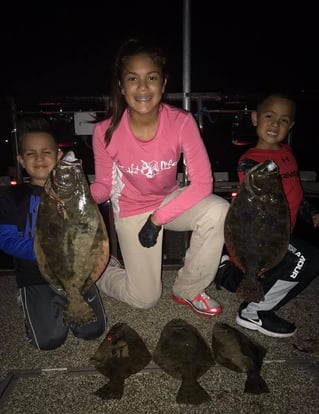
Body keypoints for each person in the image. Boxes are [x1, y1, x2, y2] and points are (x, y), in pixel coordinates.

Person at [90, 37, 229, 317]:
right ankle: (104, 271)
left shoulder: (181, 122)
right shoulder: (105, 131)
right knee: (144, 299)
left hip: (168, 203)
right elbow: (104, 187)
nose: (143, 87)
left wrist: (158, 218)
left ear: (163, 84)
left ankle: (188, 289)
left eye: (151, 78)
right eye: (132, 78)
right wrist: (72, 198)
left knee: (218, 210)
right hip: (131, 210)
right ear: (121, 86)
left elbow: (202, 183)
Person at [215, 92, 319, 337]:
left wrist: (311, 212)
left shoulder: (287, 154)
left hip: (282, 235)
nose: (275, 124)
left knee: (264, 275)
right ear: (255, 118)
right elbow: (249, 173)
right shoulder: (250, 161)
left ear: (291, 126)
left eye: (284, 120)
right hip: (261, 238)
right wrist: (258, 173)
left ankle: (227, 273)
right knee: (309, 259)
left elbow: (296, 193)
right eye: (269, 116)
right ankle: (253, 313)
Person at [0, 117, 107, 350]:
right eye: (30, 153)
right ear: (21, 160)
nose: (39, 158)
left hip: (77, 273)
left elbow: (92, 230)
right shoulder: (11, 197)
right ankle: (31, 303)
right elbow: (5, 239)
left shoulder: (76, 194)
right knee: (49, 342)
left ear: (58, 156)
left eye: (46, 152)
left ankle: (69, 297)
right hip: (34, 276)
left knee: (93, 331)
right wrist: (45, 251)